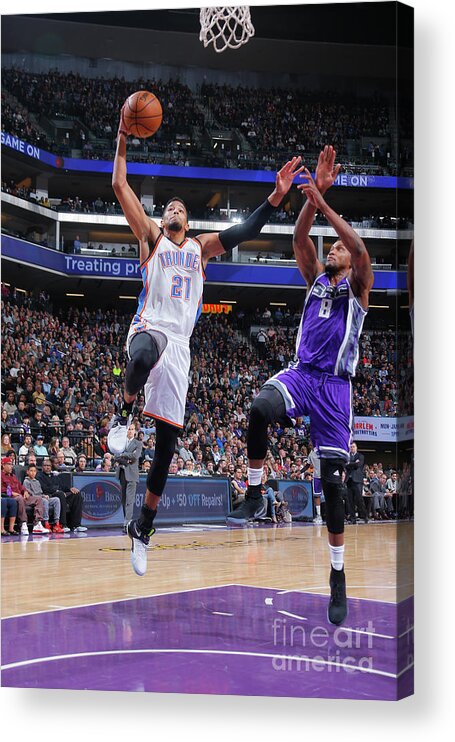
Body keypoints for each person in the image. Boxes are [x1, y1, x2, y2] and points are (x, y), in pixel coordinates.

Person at [109, 101, 303, 576]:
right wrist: (121, 136)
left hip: (183, 347)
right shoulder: (151, 239)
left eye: (180, 208)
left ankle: (143, 528)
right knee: (140, 353)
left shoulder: (200, 249)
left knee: (166, 450)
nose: (173, 208)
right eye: (168, 206)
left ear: (189, 222)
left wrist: (275, 198)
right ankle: (121, 416)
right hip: (151, 327)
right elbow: (119, 185)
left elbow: (244, 229)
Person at [227, 146, 374, 626]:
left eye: (337, 249)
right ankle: (254, 491)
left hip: (335, 390)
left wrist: (328, 205)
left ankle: (337, 575)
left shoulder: (357, 289)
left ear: (348, 263)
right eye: (330, 247)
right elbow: (299, 236)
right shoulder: (314, 280)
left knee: (332, 490)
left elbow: (361, 250)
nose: (332, 249)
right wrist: (315, 197)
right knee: (258, 407)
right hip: (301, 375)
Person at [1, 457, 47, 535]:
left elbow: (21, 486)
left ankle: (37, 524)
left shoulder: (13, 476)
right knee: (20, 498)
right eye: (9, 464)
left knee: (38, 499)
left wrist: (25, 491)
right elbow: (2, 489)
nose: (11, 466)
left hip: (21, 496)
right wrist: (12, 493)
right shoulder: (1, 475)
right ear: (3, 465)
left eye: (11, 464)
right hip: (11, 498)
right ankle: (23, 523)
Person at [115, 424, 142, 533]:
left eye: (132, 429)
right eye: (129, 429)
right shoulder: (121, 443)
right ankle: (128, 522)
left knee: (129, 501)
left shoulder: (138, 443)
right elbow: (116, 455)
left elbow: (135, 456)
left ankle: (127, 524)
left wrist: (123, 455)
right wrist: (124, 457)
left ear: (135, 431)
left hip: (132, 474)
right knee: (124, 500)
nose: (130, 431)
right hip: (122, 472)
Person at [23, 463, 62, 533]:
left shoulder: (37, 481)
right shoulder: (26, 481)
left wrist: (44, 495)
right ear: (27, 472)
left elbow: (40, 493)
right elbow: (31, 494)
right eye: (31, 471)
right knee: (44, 501)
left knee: (56, 500)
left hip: (41, 497)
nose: (33, 473)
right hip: (34, 499)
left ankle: (57, 524)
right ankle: (46, 523)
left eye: (34, 471)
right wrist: (42, 497)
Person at [345, 442, 368, 524]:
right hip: (349, 480)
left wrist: (350, 464)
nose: (352, 448)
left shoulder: (360, 456)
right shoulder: (347, 456)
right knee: (350, 501)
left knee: (359, 500)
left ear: (356, 448)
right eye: (351, 447)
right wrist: (354, 463)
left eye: (353, 447)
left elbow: (358, 465)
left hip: (357, 480)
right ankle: (352, 519)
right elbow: (345, 465)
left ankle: (365, 516)